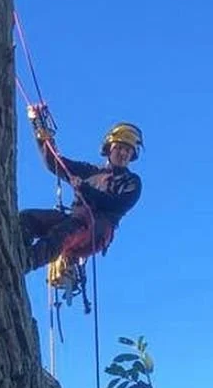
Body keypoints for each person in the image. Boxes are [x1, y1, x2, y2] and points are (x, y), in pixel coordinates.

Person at [19, 109, 143, 274]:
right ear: (109, 149)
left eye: (128, 150)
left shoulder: (131, 181)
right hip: (75, 220)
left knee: (64, 232)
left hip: (97, 230)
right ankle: (14, 247)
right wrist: (39, 125)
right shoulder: (90, 171)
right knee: (27, 218)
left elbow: (116, 205)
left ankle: (24, 262)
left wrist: (85, 189)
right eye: (119, 148)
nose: (123, 153)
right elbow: (54, 162)